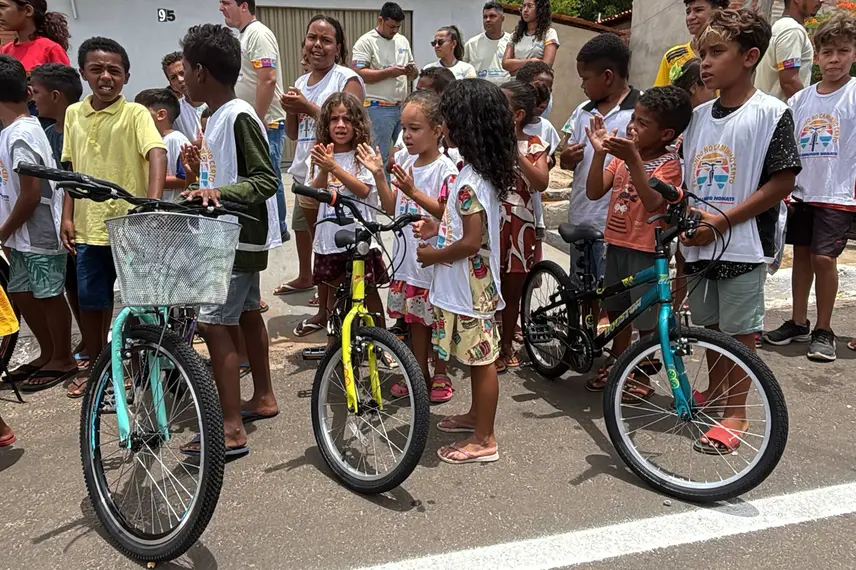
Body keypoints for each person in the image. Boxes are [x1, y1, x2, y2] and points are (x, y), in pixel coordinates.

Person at [681, 9, 800, 453]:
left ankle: (737, 413)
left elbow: (783, 180)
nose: (705, 63)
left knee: (740, 334)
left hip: (743, 245)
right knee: (711, 328)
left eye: (716, 52)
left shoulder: (772, 113)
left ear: (750, 56)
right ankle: (717, 393)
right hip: (699, 244)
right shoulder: (697, 117)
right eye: (702, 54)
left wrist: (724, 222)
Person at [179, 23, 281, 457]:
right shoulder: (217, 117)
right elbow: (216, 178)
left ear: (202, 71)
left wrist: (218, 192)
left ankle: (231, 428)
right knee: (244, 315)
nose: (182, 78)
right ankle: (263, 397)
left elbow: (264, 179)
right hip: (231, 235)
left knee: (215, 323)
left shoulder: (239, 115)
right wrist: (195, 173)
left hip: (235, 239)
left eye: (184, 69)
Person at [414, 79, 514, 465]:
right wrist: (438, 230)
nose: (445, 126)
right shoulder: (473, 173)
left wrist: (433, 255)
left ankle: (485, 438)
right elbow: (466, 229)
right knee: (475, 358)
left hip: (471, 288)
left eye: (449, 119)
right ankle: (476, 417)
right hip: (469, 285)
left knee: (482, 358)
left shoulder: (471, 181)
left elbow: (472, 242)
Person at [61, 37, 167, 398]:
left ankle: (141, 367)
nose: (106, 77)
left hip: (130, 226)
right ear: (84, 73)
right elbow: (71, 171)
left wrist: (151, 205)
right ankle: (99, 366)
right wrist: (67, 216)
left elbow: (156, 153)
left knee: (140, 304)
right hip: (89, 227)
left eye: (114, 71)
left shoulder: (136, 113)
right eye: (97, 69)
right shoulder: (74, 113)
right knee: (92, 303)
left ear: (126, 76)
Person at [583, 86, 691, 393]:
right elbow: (593, 191)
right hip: (616, 243)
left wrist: (631, 159)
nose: (632, 126)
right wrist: (600, 153)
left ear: (666, 134)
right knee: (617, 311)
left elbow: (653, 201)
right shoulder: (623, 158)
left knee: (645, 319)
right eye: (634, 118)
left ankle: (641, 375)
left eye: (643, 123)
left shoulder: (668, 165)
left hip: (645, 249)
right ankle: (619, 361)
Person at [763, 13, 856, 362]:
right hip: (801, 192)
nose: (834, 59)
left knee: (823, 258)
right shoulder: (800, 101)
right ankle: (798, 321)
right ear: (815, 57)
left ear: (853, 53)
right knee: (800, 256)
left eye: (843, 51)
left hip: (838, 192)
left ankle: (824, 328)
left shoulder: (854, 93)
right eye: (827, 52)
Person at [356, 89, 459, 402]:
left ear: (437, 130)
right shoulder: (402, 160)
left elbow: (449, 213)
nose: (407, 136)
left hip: (434, 262)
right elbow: (391, 207)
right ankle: (418, 374)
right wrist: (378, 176)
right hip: (408, 262)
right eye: (404, 128)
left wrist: (413, 191)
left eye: (415, 129)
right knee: (414, 321)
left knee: (438, 321)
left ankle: (440, 372)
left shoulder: (446, 169)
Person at [275, 15, 364, 309]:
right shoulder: (301, 81)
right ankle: (316, 287)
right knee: (312, 237)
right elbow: (292, 132)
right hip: (306, 173)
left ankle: (331, 301)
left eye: (326, 40)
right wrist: (291, 109)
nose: (317, 45)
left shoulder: (346, 79)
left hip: (336, 174)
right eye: (312, 38)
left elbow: (352, 123)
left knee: (332, 244)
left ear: (338, 48)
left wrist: (307, 106)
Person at [0, 54, 75, 393]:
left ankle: (63, 357)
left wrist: (2, 231)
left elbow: (31, 194)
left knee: (48, 294)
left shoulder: (21, 134)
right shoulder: (12, 131)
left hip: (39, 229)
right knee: (20, 290)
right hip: (20, 234)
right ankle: (48, 352)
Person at [295, 93, 387, 340]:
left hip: (360, 238)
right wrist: (324, 170)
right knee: (335, 297)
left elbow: (363, 189)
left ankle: (382, 344)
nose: (340, 125)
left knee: (368, 293)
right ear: (326, 124)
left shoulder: (362, 155)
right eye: (334, 119)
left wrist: (334, 167)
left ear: (357, 124)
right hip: (329, 239)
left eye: (347, 119)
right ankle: (335, 351)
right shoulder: (319, 155)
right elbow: (315, 195)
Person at [559, 33, 638, 290]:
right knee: (583, 290)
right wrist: (567, 157)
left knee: (613, 294)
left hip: (619, 220)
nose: (582, 86)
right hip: (583, 216)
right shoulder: (583, 110)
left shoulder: (641, 111)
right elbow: (565, 153)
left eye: (585, 79)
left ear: (607, 76)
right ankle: (584, 330)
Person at [221, 0, 290, 243]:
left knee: (269, 178)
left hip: (265, 123)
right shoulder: (243, 36)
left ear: (243, 6)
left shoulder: (258, 34)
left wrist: (257, 119)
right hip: (253, 121)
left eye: (226, 2)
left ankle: (278, 229)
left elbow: (268, 79)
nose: (221, 8)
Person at [28, 62, 84, 362]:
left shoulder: (79, 131)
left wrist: (68, 217)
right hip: (58, 221)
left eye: (36, 92)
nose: (32, 98)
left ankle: (91, 343)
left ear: (56, 96)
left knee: (81, 285)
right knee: (71, 285)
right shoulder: (46, 132)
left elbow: (71, 181)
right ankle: (85, 341)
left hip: (75, 219)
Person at [496, 81, 549, 373]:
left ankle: (506, 343)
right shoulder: (485, 141)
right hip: (491, 220)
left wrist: (516, 155)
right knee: (487, 283)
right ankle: (488, 344)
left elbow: (540, 182)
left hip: (519, 223)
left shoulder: (534, 145)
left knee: (513, 286)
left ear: (516, 115)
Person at [351, 2, 418, 169]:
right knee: (379, 157)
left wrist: (411, 72)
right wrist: (389, 72)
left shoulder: (402, 40)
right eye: (391, 26)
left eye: (398, 27)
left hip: (401, 107)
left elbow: (413, 71)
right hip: (377, 108)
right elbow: (358, 73)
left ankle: (401, 193)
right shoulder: (366, 42)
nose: (394, 30)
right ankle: (381, 193)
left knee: (406, 155)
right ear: (380, 20)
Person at [754, 0, 824, 101]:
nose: (822, 1)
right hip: (783, 113)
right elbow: (789, 82)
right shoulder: (792, 30)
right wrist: (808, 109)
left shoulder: (779, 26)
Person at [134, 88, 191, 203]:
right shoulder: (147, 142)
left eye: (141, 113)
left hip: (171, 212)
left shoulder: (177, 140)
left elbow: (185, 178)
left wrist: (152, 179)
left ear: (161, 115)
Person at [654, 0, 728, 87]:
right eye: (688, 12)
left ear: (717, 12)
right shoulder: (673, 57)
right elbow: (658, 98)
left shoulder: (731, 53)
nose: (690, 17)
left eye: (698, 10)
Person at [0, 0, 69, 71]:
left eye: (2, 6)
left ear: (28, 10)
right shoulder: (4, 51)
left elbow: (66, 81)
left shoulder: (51, 49)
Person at [502, 0, 559, 76]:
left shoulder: (549, 33)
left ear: (540, 9)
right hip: (515, 85)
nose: (525, 10)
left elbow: (546, 66)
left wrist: (515, 70)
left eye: (529, 6)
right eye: (524, 6)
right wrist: (531, 61)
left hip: (536, 85)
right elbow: (505, 63)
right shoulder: (515, 35)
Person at [161, 51, 206, 144]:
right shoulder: (174, 112)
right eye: (173, 78)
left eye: (182, 72)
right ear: (171, 85)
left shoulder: (216, 102)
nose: (180, 80)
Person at [464, 1, 512, 86]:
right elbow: (463, 69)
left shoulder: (511, 42)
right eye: (485, 17)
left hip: (504, 94)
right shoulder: (472, 44)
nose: (488, 20)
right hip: (480, 94)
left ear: (502, 19)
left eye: (492, 16)